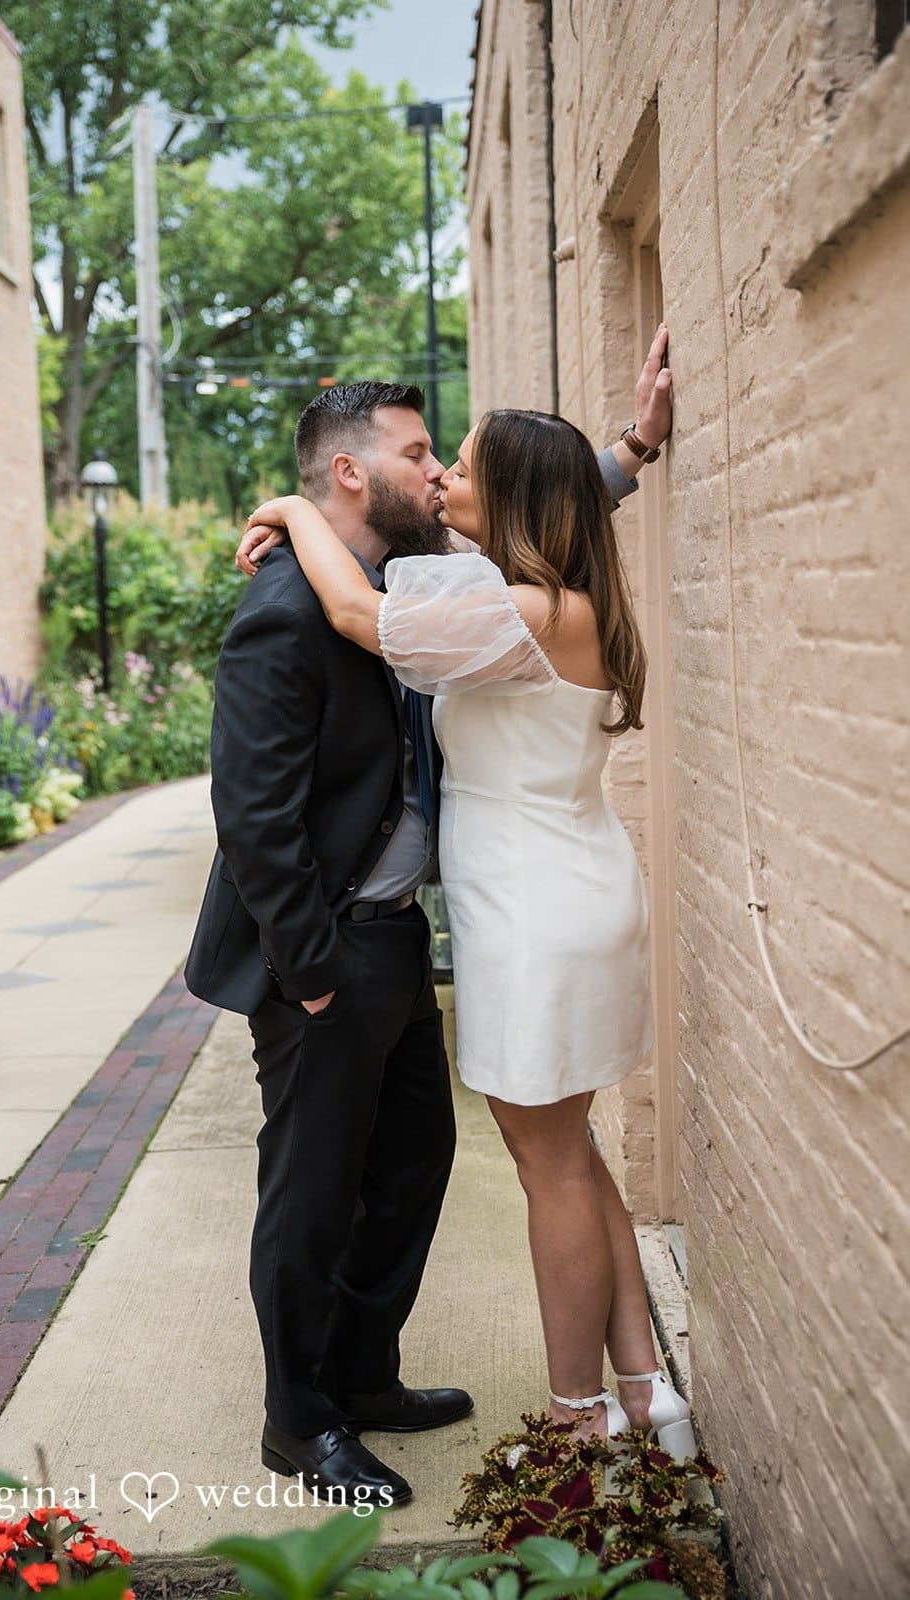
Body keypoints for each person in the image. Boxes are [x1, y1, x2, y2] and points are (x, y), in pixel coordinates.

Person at [184, 344, 671, 1510]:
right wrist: (306, 971)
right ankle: (302, 1421)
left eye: (452, 461)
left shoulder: (458, 592)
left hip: (469, 926)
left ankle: (389, 1379)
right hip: (339, 950)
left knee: (431, 1166)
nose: (439, 474)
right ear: (356, 478)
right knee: (321, 1185)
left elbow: (472, 558)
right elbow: (251, 814)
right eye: (421, 456)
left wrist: (289, 510)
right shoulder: (304, 602)